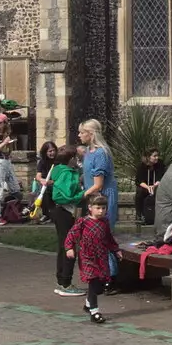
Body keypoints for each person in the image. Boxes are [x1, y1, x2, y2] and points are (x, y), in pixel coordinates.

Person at [64, 194, 120, 323]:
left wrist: (115, 249)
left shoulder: (104, 222)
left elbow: (109, 238)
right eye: (98, 208)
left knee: (99, 285)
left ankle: (88, 304)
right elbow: (71, 235)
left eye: (103, 208)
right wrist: (69, 248)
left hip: (101, 256)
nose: (101, 211)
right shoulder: (83, 222)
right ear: (90, 208)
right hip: (87, 256)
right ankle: (95, 312)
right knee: (93, 281)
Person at [46, 145, 85, 297]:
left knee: (63, 246)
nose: (77, 160)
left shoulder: (58, 171)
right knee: (69, 246)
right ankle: (66, 283)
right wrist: (81, 195)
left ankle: (61, 280)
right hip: (65, 212)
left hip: (60, 212)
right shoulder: (67, 173)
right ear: (70, 159)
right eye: (75, 157)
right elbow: (64, 195)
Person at [78, 119, 119, 232]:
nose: (79, 135)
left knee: (101, 233)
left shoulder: (100, 153)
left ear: (90, 134)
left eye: (82, 132)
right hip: (92, 196)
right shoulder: (88, 151)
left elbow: (98, 185)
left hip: (102, 197)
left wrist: (80, 196)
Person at [0, 116, 23, 226]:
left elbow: (8, 150)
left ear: (5, 123)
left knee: (16, 190)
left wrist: (9, 144)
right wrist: (3, 143)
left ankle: (10, 211)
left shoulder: (7, 134)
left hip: (7, 161)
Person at [134, 148, 162, 226]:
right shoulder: (141, 166)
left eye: (157, 156)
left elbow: (161, 177)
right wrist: (148, 187)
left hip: (156, 186)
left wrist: (154, 186)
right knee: (139, 192)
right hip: (145, 186)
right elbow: (139, 180)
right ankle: (139, 215)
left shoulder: (160, 164)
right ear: (148, 157)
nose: (157, 158)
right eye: (154, 156)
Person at [31, 139, 57, 221]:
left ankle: (51, 214)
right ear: (45, 152)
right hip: (45, 184)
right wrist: (42, 180)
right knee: (42, 191)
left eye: (53, 150)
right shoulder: (42, 162)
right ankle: (46, 214)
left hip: (56, 183)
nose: (52, 153)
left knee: (46, 191)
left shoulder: (58, 161)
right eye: (49, 151)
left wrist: (52, 182)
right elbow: (38, 176)